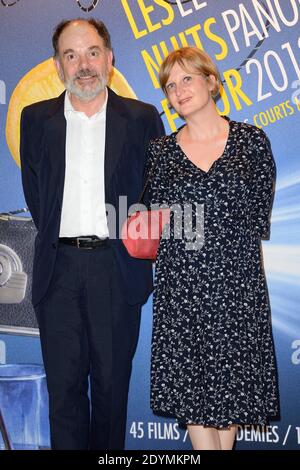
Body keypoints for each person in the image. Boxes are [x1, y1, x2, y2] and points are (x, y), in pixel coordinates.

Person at [20, 18, 164, 450]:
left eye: (92, 52)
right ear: (57, 66)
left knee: (111, 393)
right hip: (57, 272)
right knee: (62, 397)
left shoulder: (141, 118)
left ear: (110, 58)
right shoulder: (34, 120)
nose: (84, 64)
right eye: (71, 54)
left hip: (115, 273)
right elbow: (36, 194)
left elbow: (152, 193)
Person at [147, 47, 279, 450]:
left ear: (211, 80)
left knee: (231, 398)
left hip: (237, 289)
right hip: (181, 293)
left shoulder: (252, 142)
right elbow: (158, 220)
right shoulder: (160, 153)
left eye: (187, 78)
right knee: (193, 397)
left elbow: (257, 217)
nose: (179, 90)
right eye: (171, 85)